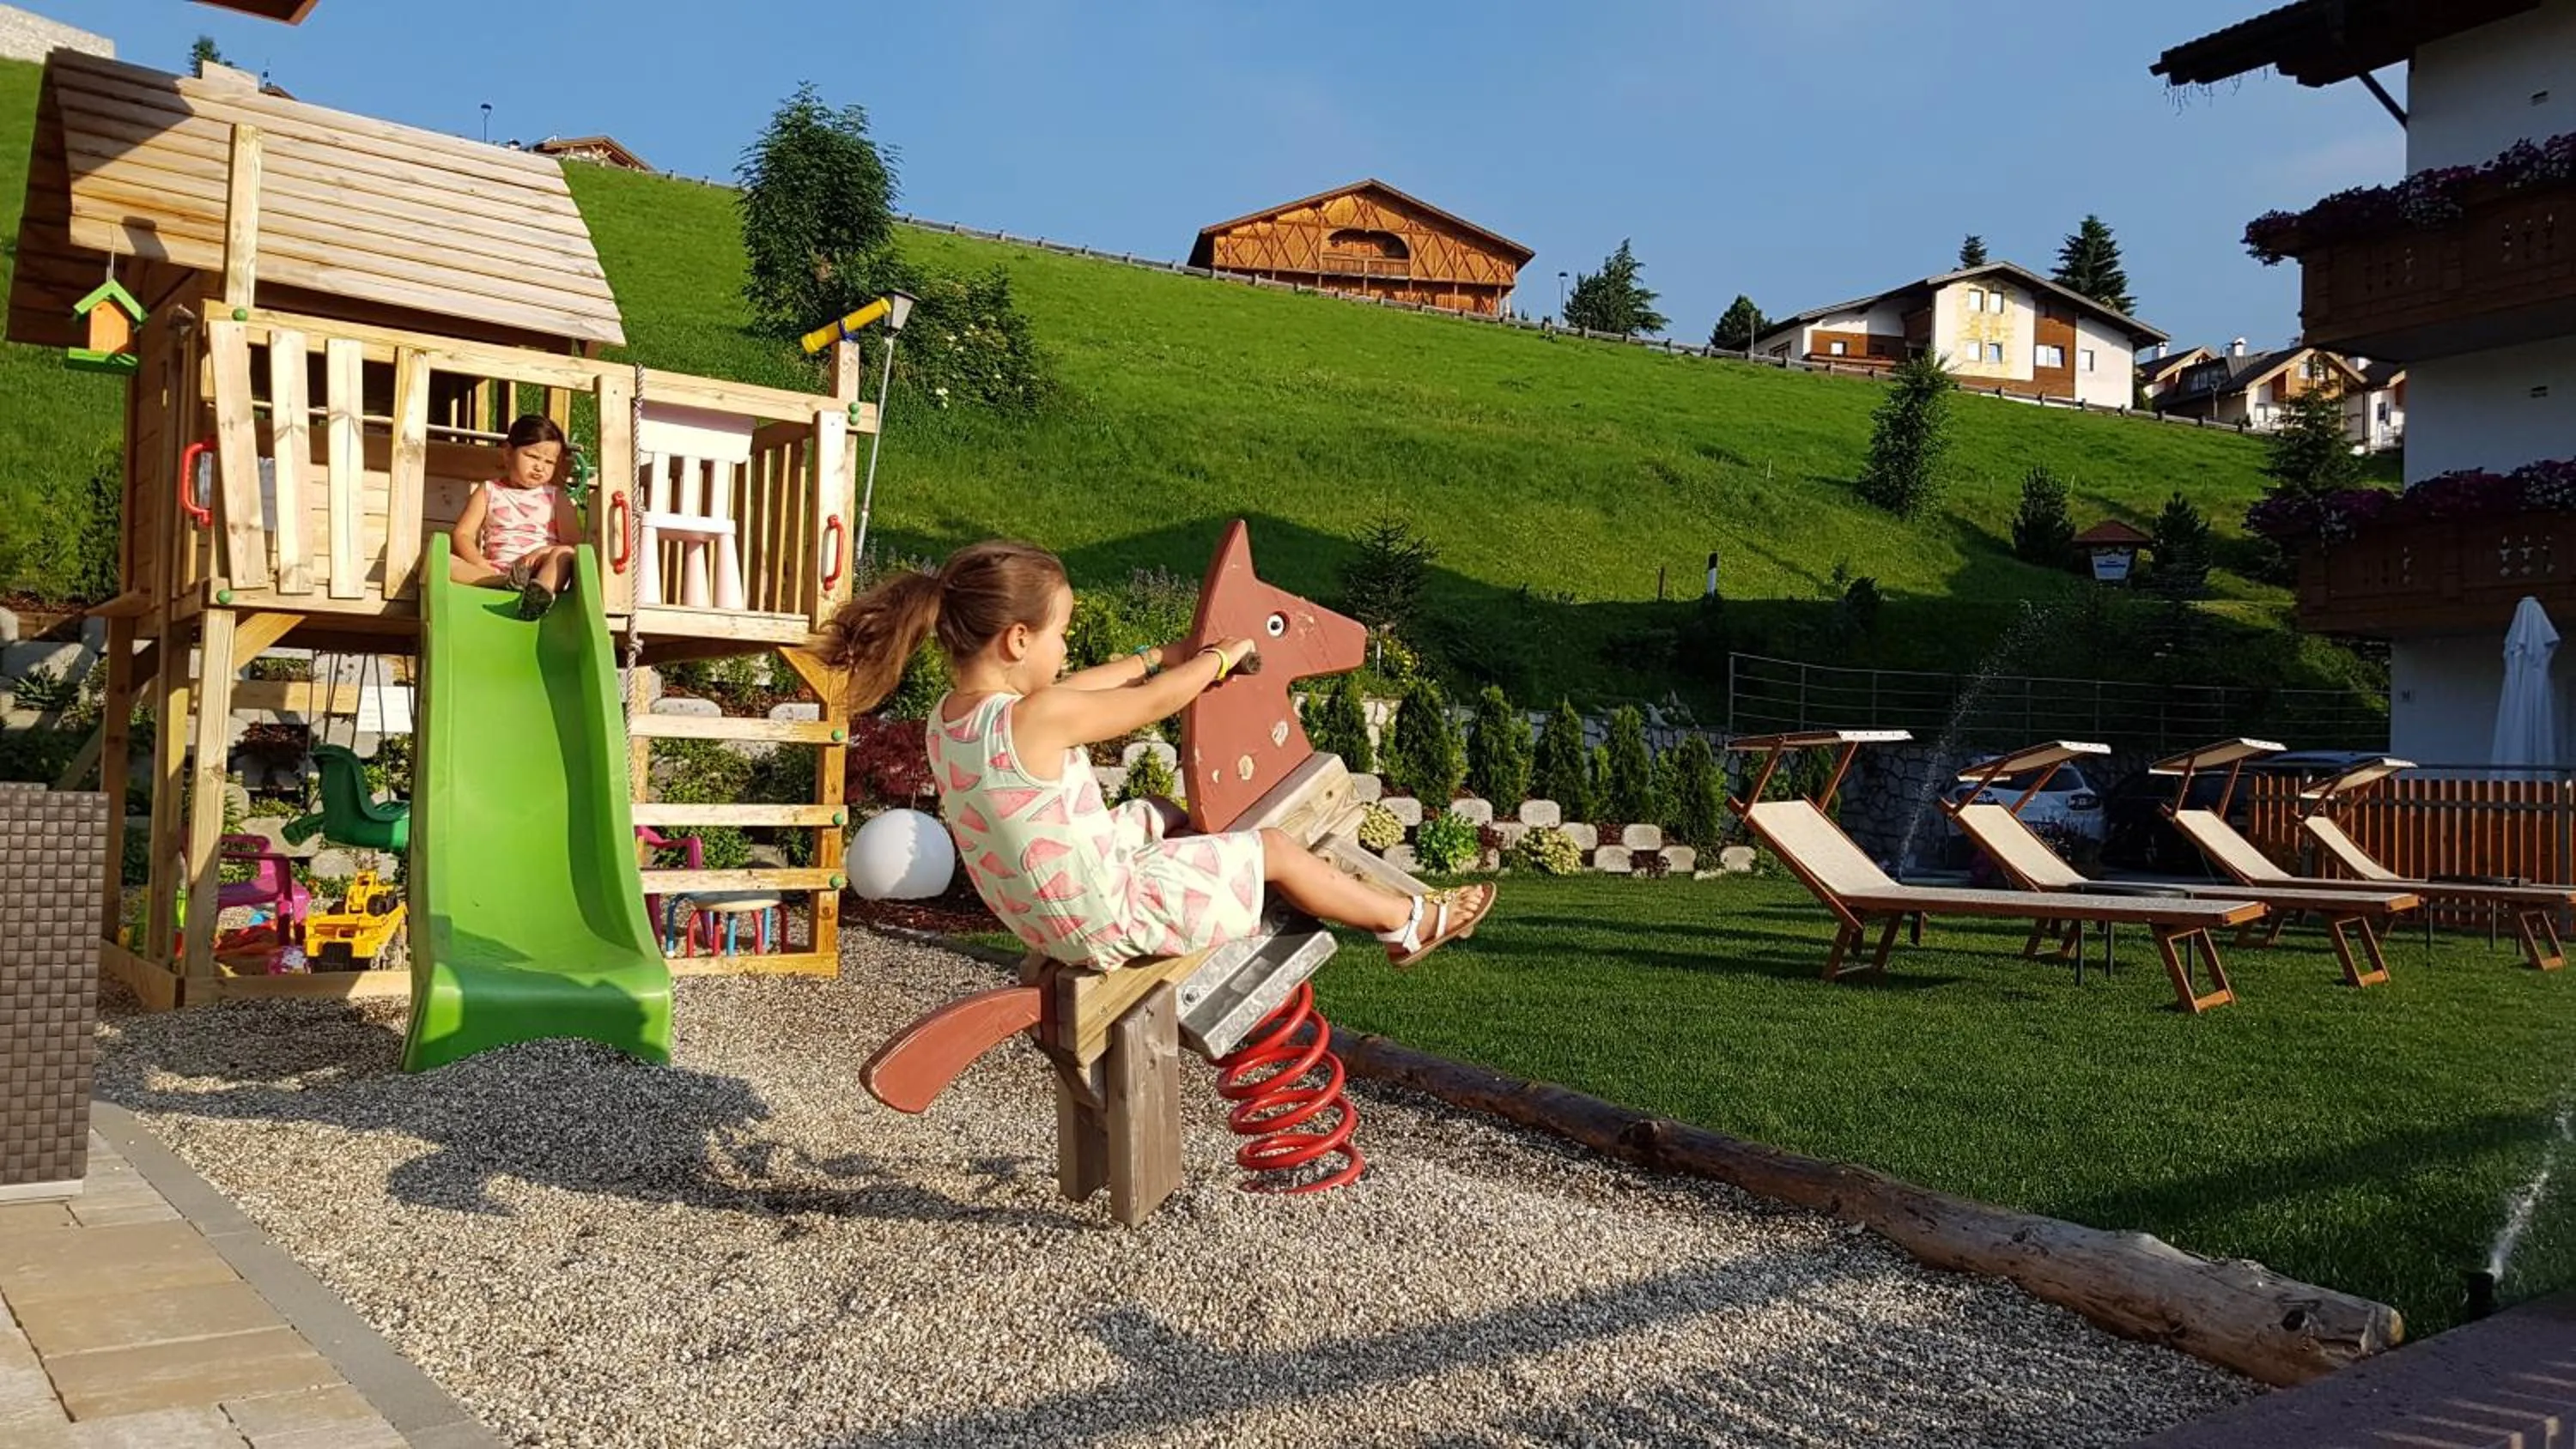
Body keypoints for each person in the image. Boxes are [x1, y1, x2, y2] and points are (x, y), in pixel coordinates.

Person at [821, 540, 1493, 969]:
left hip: (1041, 918)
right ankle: (1404, 923)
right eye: (1062, 632)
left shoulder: (951, 720)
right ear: (1018, 640)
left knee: (1158, 812)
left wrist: (1157, 655)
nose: (1067, 648)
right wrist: (1214, 661)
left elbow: (1085, 687)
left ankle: (1215, 875)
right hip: (1104, 914)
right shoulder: (1038, 718)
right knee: (1274, 849)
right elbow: (1150, 705)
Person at [452, 415, 583, 619]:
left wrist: (544, 552)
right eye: (532, 456)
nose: (540, 467)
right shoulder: (489, 490)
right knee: (444, 562)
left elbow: (574, 544)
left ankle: (539, 595)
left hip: (541, 569)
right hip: (496, 572)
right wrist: (480, 564)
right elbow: (463, 534)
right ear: (508, 453)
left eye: (549, 462)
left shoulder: (556, 497)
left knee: (564, 554)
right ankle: (504, 584)